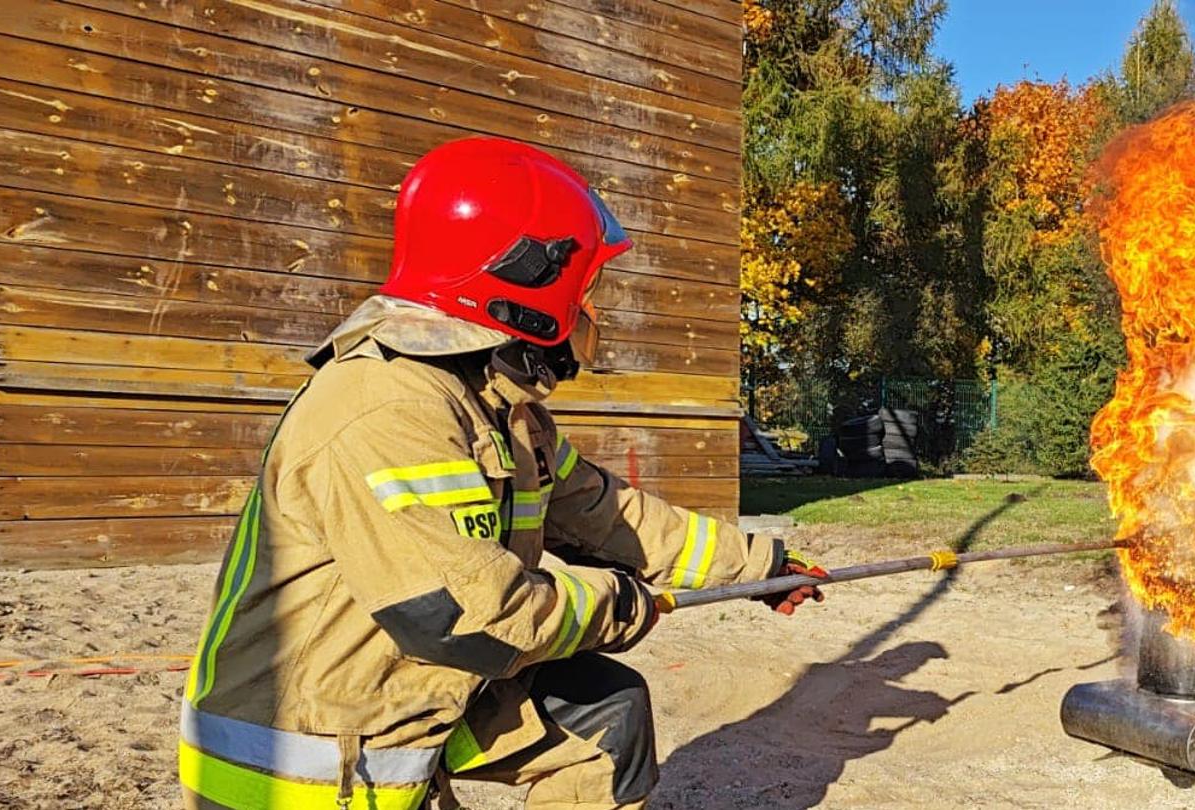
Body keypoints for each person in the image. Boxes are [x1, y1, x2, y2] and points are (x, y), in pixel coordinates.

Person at [176, 137, 824, 810]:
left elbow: (605, 514)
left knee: (606, 720)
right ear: (522, 289)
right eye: (585, 292)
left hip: (409, 685)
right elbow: (475, 619)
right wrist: (623, 606)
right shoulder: (386, 410)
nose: (590, 315)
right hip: (314, 758)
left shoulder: (496, 408)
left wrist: (759, 566)